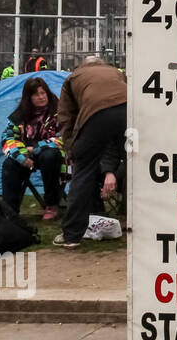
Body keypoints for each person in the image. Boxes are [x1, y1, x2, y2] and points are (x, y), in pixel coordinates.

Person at [54, 57, 127, 248]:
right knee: (135, 162)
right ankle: (145, 225)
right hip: (128, 108)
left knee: (83, 172)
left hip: (95, 114)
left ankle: (71, 236)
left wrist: (71, 147)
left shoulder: (73, 78)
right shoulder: (115, 72)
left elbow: (65, 116)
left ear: (82, 66)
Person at [0, 77, 64, 221]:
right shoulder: (19, 115)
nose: (41, 97)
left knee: (49, 157)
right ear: (28, 98)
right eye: (36, 94)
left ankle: (52, 205)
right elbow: (8, 139)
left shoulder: (59, 111)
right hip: (26, 155)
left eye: (43, 93)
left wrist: (35, 148)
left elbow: (64, 138)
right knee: (9, 164)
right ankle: (10, 210)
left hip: (53, 153)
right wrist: (21, 157)